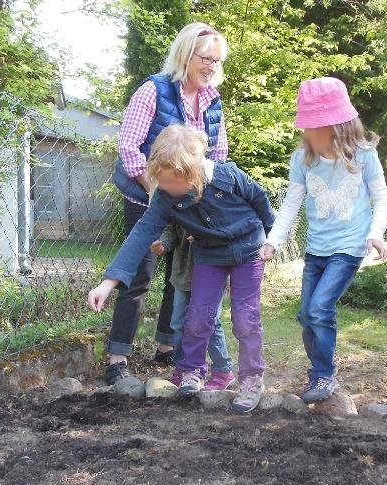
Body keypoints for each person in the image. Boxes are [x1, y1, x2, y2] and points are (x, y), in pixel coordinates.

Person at [89, 125, 275, 413]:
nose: (165, 189)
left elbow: (261, 201)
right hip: (209, 253)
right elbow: (141, 234)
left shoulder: (227, 176)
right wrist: (108, 282)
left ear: (193, 173)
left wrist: (272, 240)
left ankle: (251, 378)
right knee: (198, 316)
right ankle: (192, 371)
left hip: (248, 249)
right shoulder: (164, 197)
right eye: (161, 182)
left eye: (172, 183)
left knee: (244, 317)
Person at [106, 22, 230, 386]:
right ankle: (118, 356)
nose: (211, 66)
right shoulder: (154, 90)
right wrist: (157, 194)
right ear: (186, 54)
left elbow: (217, 155)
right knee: (139, 274)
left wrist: (202, 200)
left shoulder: (212, 100)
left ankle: (166, 346)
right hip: (146, 196)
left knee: (180, 276)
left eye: (216, 60)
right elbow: (130, 148)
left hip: (189, 202)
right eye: (205, 58)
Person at [260, 77, 387, 403]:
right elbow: (291, 204)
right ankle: (320, 371)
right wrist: (272, 241)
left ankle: (323, 376)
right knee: (306, 314)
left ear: (334, 125)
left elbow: (382, 197)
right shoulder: (302, 159)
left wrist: (375, 234)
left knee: (320, 309)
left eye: (311, 126)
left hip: (349, 247)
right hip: (316, 249)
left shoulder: (363, 155)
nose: (305, 132)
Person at [150, 224, 235, 390]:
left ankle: (223, 369)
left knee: (209, 322)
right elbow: (172, 228)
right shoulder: (176, 202)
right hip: (182, 273)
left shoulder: (216, 200)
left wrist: (206, 236)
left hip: (212, 271)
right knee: (178, 322)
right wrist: (163, 244)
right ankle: (184, 367)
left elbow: (228, 228)